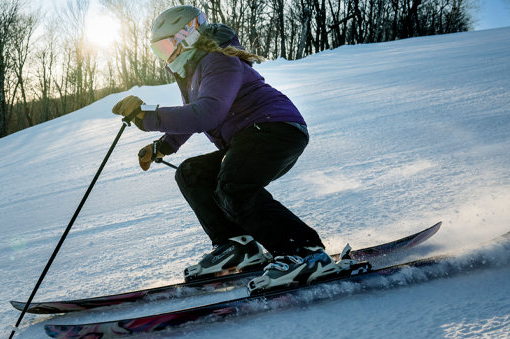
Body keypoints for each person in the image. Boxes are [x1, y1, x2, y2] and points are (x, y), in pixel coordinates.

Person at [111, 5, 342, 292]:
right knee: (191, 173)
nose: (166, 56)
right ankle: (237, 246)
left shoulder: (219, 60)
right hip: (250, 135)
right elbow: (192, 112)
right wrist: (164, 145)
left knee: (233, 185)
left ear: (188, 35)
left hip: (276, 128)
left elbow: (208, 113)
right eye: (159, 50)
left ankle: (305, 252)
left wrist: (147, 116)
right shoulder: (194, 71)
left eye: (167, 46)